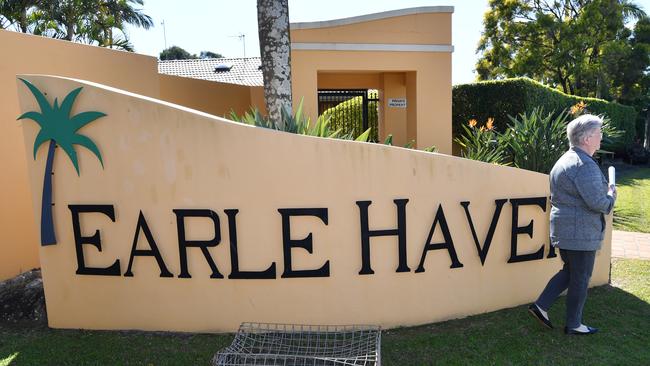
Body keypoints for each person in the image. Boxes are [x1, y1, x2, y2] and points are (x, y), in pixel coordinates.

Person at [528, 114, 616, 335]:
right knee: (580, 278)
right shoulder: (583, 165)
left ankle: (541, 306)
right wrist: (611, 197)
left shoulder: (565, 159)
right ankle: (574, 324)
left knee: (571, 272)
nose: (601, 137)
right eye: (598, 133)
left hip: (566, 230)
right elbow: (598, 202)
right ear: (586, 138)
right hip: (580, 233)